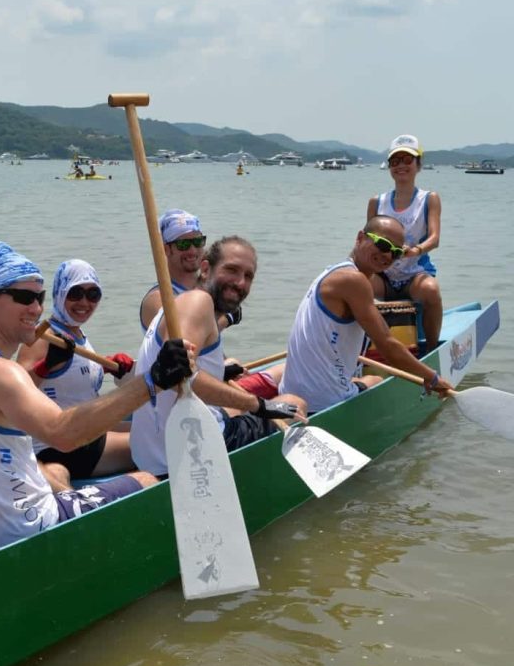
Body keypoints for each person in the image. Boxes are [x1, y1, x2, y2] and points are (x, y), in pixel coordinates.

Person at [0, 235, 195, 560]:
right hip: (24, 531)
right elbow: (62, 433)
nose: (36, 308)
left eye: (40, 297)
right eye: (23, 297)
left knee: (56, 472)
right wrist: (152, 380)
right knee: (145, 479)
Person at [131, 237, 307, 473]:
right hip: (182, 457)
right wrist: (258, 405)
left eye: (248, 276)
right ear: (205, 269)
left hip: (150, 454)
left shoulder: (181, 306)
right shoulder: (198, 302)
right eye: (232, 270)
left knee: (238, 409)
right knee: (295, 404)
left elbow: (184, 368)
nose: (240, 283)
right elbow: (177, 376)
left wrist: (221, 371)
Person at [280, 215, 454, 413]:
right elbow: (388, 347)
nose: (388, 256)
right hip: (323, 404)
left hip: (290, 393)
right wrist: (432, 378)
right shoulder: (354, 281)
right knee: (376, 380)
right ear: (360, 237)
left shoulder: (332, 271)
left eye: (397, 253)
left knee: (366, 378)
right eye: (383, 244)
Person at [16, 259, 136, 489]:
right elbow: (14, 392)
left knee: (153, 427)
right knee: (155, 442)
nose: (84, 302)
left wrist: (105, 364)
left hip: (86, 430)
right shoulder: (44, 335)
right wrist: (45, 366)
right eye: (76, 293)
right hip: (59, 445)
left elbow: (70, 374)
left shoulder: (76, 333)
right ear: (60, 293)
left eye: (93, 294)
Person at [366, 134, 444, 349]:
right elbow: (367, 245)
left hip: (414, 276)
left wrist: (415, 250)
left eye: (407, 160)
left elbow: (434, 239)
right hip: (384, 277)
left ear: (418, 164)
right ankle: (353, 349)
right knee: (355, 286)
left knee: (431, 290)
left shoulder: (429, 199)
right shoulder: (376, 202)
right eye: (395, 161)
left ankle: (430, 348)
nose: (401, 166)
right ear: (389, 166)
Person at [139, 209, 206, 331]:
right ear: (166, 250)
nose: (192, 250)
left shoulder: (207, 287)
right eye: (183, 244)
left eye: (197, 242)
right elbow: (184, 335)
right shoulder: (158, 298)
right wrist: (227, 317)